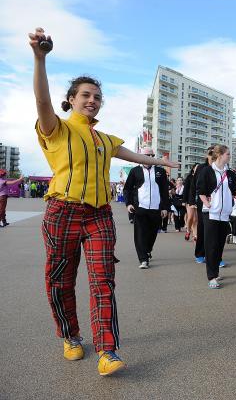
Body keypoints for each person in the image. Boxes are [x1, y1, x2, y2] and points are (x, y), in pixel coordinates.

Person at [29, 27, 178, 376]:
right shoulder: (57, 128)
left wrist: (160, 162)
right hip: (62, 211)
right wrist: (40, 59)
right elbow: (42, 102)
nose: (92, 100)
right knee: (60, 279)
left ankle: (107, 350)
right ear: (72, 99)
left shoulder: (105, 139)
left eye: (97, 96)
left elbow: (136, 157)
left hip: (98, 215)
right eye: (85, 95)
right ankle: (70, 336)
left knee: (103, 279)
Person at [123, 147, 170, 269]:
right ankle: (143, 259)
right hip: (140, 208)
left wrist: (165, 207)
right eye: (146, 155)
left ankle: (148, 250)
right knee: (140, 234)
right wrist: (128, 204)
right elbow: (127, 188)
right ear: (140, 157)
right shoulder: (135, 171)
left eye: (151, 155)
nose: (148, 158)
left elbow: (165, 191)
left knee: (152, 233)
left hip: (156, 209)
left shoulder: (160, 171)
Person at [199, 145, 236, 288]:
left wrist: (233, 201)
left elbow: (233, 190)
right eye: (228, 154)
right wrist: (207, 204)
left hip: (225, 214)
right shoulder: (207, 171)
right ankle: (211, 276)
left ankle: (215, 271)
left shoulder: (230, 173)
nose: (229, 156)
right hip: (210, 213)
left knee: (220, 244)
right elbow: (200, 189)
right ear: (220, 155)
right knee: (211, 246)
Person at [194, 146, 215, 263]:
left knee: (214, 229)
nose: (212, 155)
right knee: (202, 228)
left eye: (214, 153)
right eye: (210, 153)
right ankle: (200, 253)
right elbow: (194, 185)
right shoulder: (201, 168)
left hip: (217, 202)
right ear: (206, 155)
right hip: (202, 201)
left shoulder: (221, 167)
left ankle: (213, 256)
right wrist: (191, 201)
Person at [183, 163, 199, 241]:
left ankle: (195, 235)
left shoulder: (201, 176)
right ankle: (188, 230)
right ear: (193, 168)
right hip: (190, 200)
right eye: (197, 167)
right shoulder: (189, 177)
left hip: (198, 200)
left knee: (196, 219)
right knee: (190, 217)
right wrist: (184, 200)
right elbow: (186, 189)